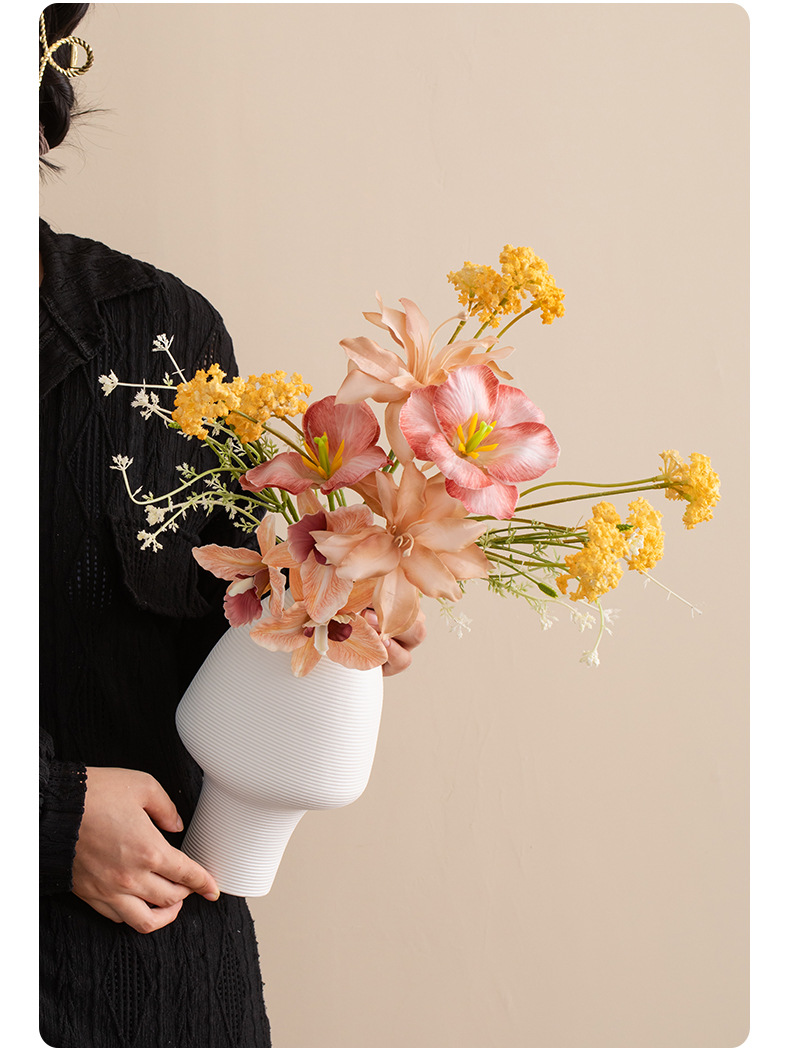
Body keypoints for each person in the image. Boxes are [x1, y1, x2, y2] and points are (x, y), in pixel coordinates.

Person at [39, 5, 425, 1046]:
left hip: (154, 990)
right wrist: (42, 818)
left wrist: (343, 609)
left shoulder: (158, 333)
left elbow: (251, 647)